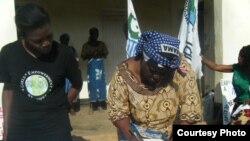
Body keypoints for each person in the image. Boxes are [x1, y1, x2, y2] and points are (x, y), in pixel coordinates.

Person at [0, 3, 82, 141]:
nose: (46, 43)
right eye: (38, 41)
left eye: (49, 36)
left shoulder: (63, 53)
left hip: (56, 129)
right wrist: (6, 127)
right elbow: (8, 90)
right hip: (20, 130)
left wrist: (63, 103)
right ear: (23, 36)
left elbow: (77, 83)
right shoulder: (9, 53)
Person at [107, 30, 204, 141]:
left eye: (163, 73)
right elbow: (118, 111)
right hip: (135, 132)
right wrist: (131, 137)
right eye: (153, 71)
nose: (157, 77)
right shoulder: (123, 74)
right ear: (143, 59)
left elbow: (190, 103)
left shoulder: (178, 67)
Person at [201, 45, 250, 125]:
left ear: (247, 58)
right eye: (239, 55)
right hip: (236, 105)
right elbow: (216, 67)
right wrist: (203, 59)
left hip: (247, 108)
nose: (238, 57)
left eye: (241, 56)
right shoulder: (236, 67)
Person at [81, 27, 109, 112]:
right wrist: (91, 54)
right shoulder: (86, 45)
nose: (96, 36)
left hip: (100, 68)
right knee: (92, 85)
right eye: (93, 34)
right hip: (92, 68)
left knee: (101, 85)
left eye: (97, 34)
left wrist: (99, 53)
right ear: (90, 35)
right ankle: (92, 105)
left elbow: (105, 54)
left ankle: (101, 104)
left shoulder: (101, 44)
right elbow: (83, 56)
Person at [59, 33, 81, 114]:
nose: (66, 41)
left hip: (70, 74)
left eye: (67, 39)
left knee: (71, 90)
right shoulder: (58, 49)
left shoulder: (71, 49)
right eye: (64, 40)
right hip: (61, 74)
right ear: (60, 40)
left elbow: (77, 59)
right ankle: (64, 109)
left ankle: (71, 108)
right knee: (62, 91)